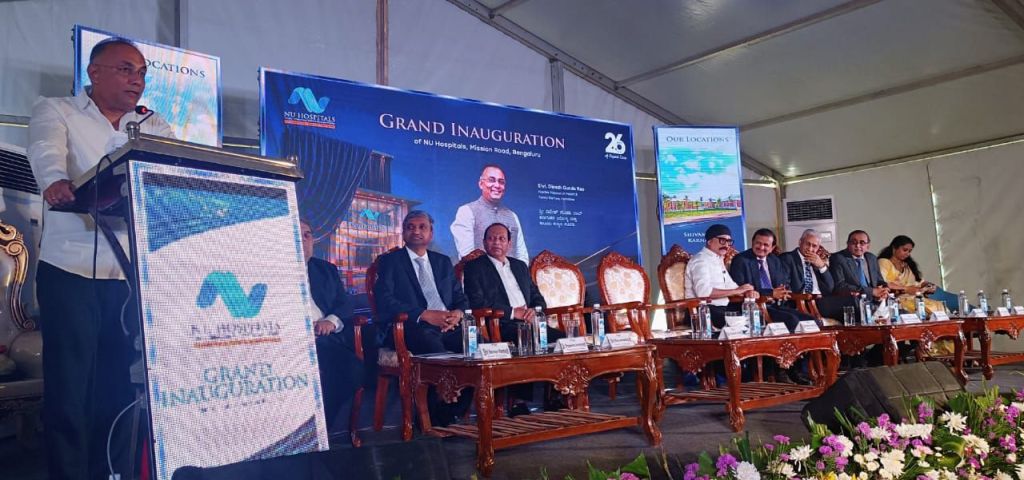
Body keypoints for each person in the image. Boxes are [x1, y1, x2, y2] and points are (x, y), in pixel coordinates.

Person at [27, 37, 175, 480]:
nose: (137, 80)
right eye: (126, 69)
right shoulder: (57, 110)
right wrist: (55, 181)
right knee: (71, 389)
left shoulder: (151, 123)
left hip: (128, 276)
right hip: (69, 271)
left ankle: (112, 471)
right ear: (94, 72)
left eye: (142, 73)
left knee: (120, 386)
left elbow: (170, 168)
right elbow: (46, 151)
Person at [373, 210, 470, 425]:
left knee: (477, 345)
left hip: (449, 325)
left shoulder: (442, 262)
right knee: (431, 345)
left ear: (431, 233)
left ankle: (455, 409)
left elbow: (460, 298)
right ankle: (434, 418)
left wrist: (457, 314)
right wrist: (424, 315)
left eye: (422, 227)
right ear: (403, 233)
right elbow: (385, 301)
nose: (416, 231)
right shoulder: (390, 262)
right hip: (412, 328)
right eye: (410, 227)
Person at [462, 223, 565, 415]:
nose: (496, 242)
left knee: (562, 340)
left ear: (509, 243)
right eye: (491, 238)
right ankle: (518, 402)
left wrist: (535, 311)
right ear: (484, 242)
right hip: (500, 324)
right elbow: (476, 302)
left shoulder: (519, 266)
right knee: (526, 338)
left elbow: (537, 297)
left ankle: (555, 396)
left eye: (501, 238)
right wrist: (512, 312)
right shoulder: (474, 268)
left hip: (530, 321)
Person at [302, 220, 364, 431]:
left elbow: (345, 304)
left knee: (352, 370)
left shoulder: (325, 269)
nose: (303, 240)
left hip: (325, 339)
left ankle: (320, 429)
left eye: (307, 235)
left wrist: (331, 320)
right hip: (292, 341)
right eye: (296, 235)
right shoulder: (271, 271)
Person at [729, 228, 817, 332]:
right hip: (754, 308)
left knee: (811, 321)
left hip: (776, 306)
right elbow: (741, 289)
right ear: (752, 243)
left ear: (772, 248)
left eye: (766, 245)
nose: (761, 247)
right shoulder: (741, 260)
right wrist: (771, 293)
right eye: (758, 243)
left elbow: (783, 284)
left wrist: (783, 292)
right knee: (792, 321)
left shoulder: (774, 260)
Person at [684, 224, 758, 328]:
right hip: (702, 311)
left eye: (729, 241)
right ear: (709, 241)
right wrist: (736, 291)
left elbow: (731, 286)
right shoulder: (700, 260)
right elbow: (703, 293)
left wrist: (747, 291)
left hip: (721, 309)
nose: (726, 245)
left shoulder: (718, 259)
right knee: (743, 325)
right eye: (722, 240)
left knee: (756, 318)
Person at [451, 164, 528, 262]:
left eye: (501, 182)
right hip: (479, 271)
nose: (497, 185)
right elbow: (467, 255)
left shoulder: (512, 216)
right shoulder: (467, 211)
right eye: (491, 180)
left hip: (512, 271)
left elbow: (522, 256)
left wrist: (515, 270)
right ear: (481, 184)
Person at [779, 229, 856, 320]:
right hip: (803, 301)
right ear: (800, 242)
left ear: (818, 247)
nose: (810, 249)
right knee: (852, 302)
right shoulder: (788, 258)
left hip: (821, 301)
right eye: (807, 244)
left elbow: (830, 287)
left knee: (854, 301)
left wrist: (821, 266)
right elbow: (785, 286)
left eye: (814, 246)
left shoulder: (817, 260)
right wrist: (807, 296)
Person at [878, 235, 956, 314]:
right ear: (894, 248)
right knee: (926, 311)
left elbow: (920, 282)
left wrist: (929, 286)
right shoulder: (884, 262)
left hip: (915, 299)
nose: (907, 254)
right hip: (896, 302)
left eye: (909, 251)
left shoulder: (907, 265)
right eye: (905, 250)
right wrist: (907, 289)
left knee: (939, 307)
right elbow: (882, 284)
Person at [830, 230, 889, 321]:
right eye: (854, 242)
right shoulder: (838, 258)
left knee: (899, 311)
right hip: (854, 301)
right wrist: (871, 291)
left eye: (862, 243)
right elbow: (840, 286)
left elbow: (879, 281)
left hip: (875, 301)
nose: (858, 245)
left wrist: (884, 290)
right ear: (847, 244)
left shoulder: (872, 258)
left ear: (868, 246)